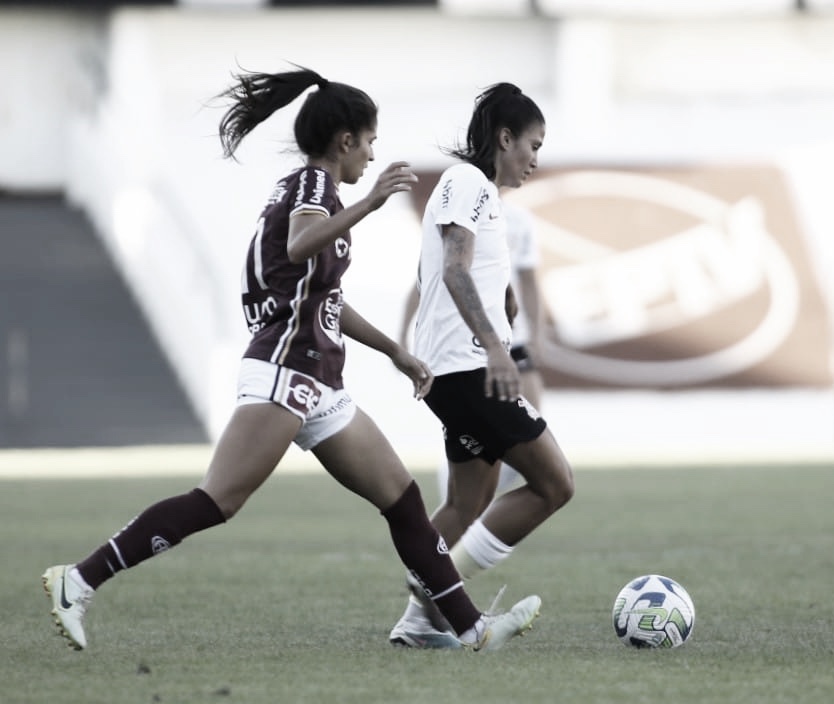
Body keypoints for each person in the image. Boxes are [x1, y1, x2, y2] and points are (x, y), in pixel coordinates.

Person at [40, 65, 541, 653]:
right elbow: (302, 242)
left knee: (401, 497)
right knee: (218, 500)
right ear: (344, 140)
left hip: (320, 381)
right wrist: (373, 202)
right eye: (370, 141)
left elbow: (326, 297)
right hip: (285, 370)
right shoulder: (311, 187)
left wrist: (395, 351)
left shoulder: (312, 194)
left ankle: (471, 630)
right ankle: (78, 580)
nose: (372, 155)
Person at [388, 83, 574, 648]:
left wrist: (503, 305)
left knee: (468, 503)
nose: (535, 159)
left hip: (455, 369)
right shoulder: (466, 181)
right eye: (533, 145)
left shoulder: (483, 196)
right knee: (554, 484)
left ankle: (418, 625)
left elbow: (465, 273)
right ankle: (450, 600)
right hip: (468, 368)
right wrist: (497, 345)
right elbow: (453, 269)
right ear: (505, 137)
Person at [398, 198, 547, 500]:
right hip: (469, 346)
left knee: (532, 439)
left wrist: (537, 333)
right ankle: (466, 504)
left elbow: (529, 281)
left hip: (512, 340)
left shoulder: (518, 218)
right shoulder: (461, 206)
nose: (532, 160)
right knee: (550, 478)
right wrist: (402, 336)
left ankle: (480, 509)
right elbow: (428, 279)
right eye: (531, 147)